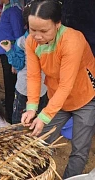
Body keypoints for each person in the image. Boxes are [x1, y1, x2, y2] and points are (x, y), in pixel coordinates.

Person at [21, 1, 95, 179]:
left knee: (79, 148)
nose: (37, 36)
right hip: (57, 97)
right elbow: (33, 76)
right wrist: (32, 107)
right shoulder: (31, 42)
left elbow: (66, 85)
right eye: (33, 29)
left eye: (44, 31)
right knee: (41, 139)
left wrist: (44, 115)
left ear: (58, 24)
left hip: (84, 96)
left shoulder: (72, 40)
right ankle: (36, 175)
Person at [0, 3, 48, 124]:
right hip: (27, 89)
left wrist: (10, 51)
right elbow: (19, 65)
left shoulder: (25, 40)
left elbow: (18, 65)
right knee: (22, 123)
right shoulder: (23, 41)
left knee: (31, 122)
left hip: (39, 89)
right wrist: (10, 50)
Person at [0, 0, 24, 123]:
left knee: (11, 86)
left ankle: (12, 117)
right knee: (9, 86)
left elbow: (18, 36)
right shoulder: (8, 9)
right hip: (6, 52)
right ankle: (9, 115)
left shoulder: (13, 11)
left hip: (10, 53)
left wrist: (15, 58)